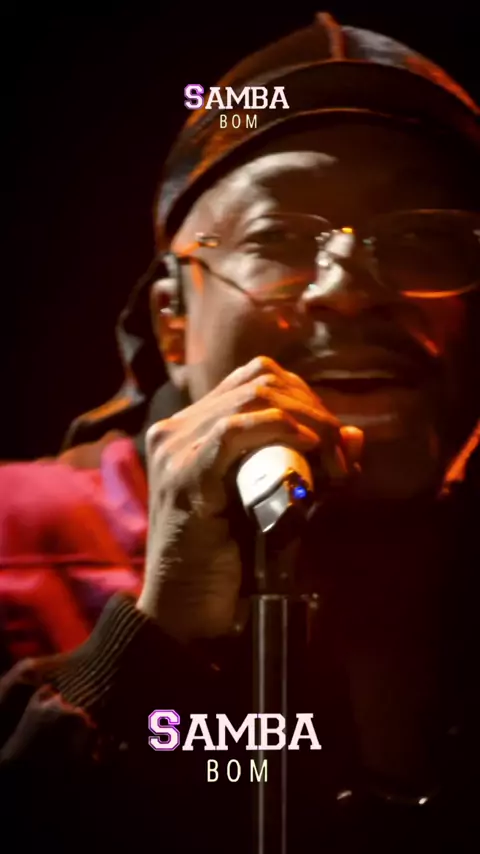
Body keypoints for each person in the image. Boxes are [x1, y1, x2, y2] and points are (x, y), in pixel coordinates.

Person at [1, 10, 479, 853]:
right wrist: (149, 650)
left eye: (425, 239)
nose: (349, 291)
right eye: (277, 238)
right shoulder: (13, 547)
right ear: (172, 322)